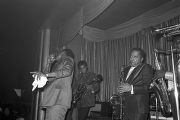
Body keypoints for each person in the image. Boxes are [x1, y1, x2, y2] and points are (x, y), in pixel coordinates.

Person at [33, 49, 75, 120]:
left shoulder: (68, 59)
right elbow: (46, 79)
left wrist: (46, 74)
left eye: (58, 53)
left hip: (59, 99)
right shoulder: (57, 65)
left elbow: (67, 71)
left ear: (63, 53)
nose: (56, 55)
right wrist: (48, 63)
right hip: (53, 99)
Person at [117, 48, 154, 120]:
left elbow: (149, 87)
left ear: (141, 59)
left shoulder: (146, 67)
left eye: (135, 57)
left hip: (139, 109)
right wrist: (121, 89)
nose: (132, 59)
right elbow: (125, 85)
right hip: (127, 107)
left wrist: (131, 88)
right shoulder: (126, 69)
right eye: (131, 56)